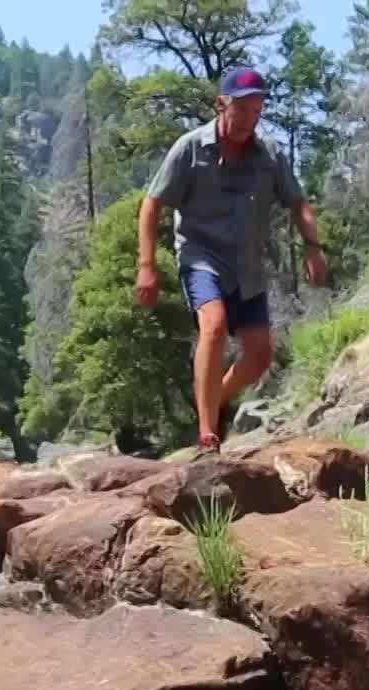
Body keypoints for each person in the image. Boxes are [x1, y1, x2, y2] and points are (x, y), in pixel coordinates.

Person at [134, 67, 329, 454]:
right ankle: (208, 432)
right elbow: (152, 203)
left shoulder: (269, 154)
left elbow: (297, 201)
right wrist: (147, 265)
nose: (248, 121)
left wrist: (312, 246)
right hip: (201, 256)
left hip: (247, 265)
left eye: (257, 112)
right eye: (242, 110)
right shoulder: (189, 148)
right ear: (221, 104)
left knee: (258, 357)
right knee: (215, 325)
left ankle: (213, 395)